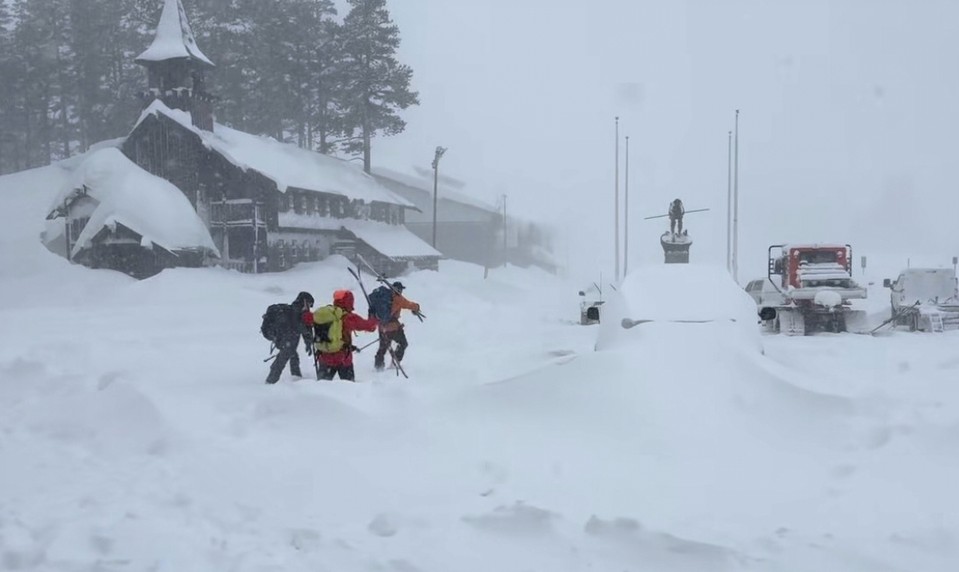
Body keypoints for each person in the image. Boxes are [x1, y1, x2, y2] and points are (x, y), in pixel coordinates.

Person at [314, 289, 378, 381]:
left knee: (321, 388)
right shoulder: (349, 318)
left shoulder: (327, 315)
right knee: (349, 389)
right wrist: (372, 316)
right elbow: (370, 327)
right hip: (343, 359)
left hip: (324, 357)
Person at [264, 291, 314, 384]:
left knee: (292, 355)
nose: (309, 307)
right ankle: (270, 381)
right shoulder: (296, 310)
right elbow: (299, 326)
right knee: (283, 357)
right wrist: (307, 331)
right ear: (305, 301)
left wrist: (308, 341)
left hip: (286, 338)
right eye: (310, 304)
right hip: (287, 338)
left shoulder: (295, 309)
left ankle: (295, 378)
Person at [374, 281, 421, 371]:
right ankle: (395, 363)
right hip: (393, 328)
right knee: (403, 343)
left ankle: (378, 367)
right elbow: (409, 305)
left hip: (382, 327)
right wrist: (417, 307)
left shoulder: (383, 297)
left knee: (383, 348)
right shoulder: (398, 298)